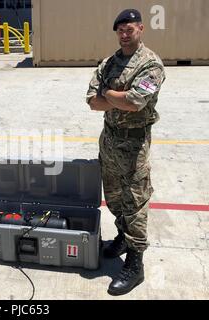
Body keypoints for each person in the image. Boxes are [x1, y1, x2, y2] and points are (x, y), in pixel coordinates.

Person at [86, 9, 166, 295]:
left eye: (129, 28)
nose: (124, 33)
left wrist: (108, 93)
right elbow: (91, 101)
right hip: (109, 141)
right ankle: (122, 237)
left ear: (141, 29)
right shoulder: (109, 63)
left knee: (135, 203)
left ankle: (135, 264)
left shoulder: (151, 64)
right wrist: (113, 97)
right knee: (115, 199)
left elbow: (135, 102)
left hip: (134, 146)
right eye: (120, 29)